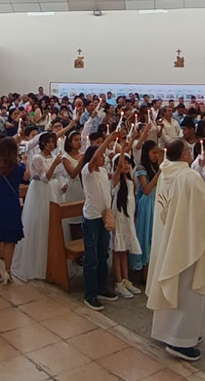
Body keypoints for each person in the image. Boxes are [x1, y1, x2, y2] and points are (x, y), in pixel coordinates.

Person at [147, 139, 205, 362]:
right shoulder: (189, 176)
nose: (190, 152)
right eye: (189, 150)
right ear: (185, 155)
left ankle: (165, 331)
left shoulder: (165, 173)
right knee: (188, 289)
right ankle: (181, 341)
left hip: (168, 239)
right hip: (187, 242)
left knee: (171, 284)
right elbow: (201, 211)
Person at [11, 132, 62, 281]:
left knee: (52, 224)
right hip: (41, 191)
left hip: (53, 191)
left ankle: (52, 263)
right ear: (43, 144)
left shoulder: (53, 156)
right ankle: (37, 263)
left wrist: (63, 183)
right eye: (49, 142)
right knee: (40, 224)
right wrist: (54, 164)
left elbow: (59, 175)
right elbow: (45, 178)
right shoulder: (37, 158)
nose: (52, 145)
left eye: (53, 142)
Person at [80, 130, 121, 311]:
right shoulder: (87, 171)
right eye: (101, 155)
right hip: (92, 219)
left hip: (104, 216)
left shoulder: (103, 171)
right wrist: (109, 139)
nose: (104, 158)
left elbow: (113, 181)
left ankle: (102, 288)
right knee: (91, 258)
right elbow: (96, 155)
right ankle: (90, 294)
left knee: (103, 254)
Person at [0, 138, 27, 287]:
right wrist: (24, 160)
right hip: (11, 205)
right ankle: (8, 271)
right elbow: (26, 176)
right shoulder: (18, 167)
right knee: (10, 241)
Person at [110, 146, 142, 299]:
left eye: (128, 163)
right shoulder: (116, 180)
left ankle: (126, 279)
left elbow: (133, 201)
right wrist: (122, 150)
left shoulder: (130, 181)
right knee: (118, 250)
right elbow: (117, 171)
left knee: (125, 250)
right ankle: (118, 282)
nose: (126, 165)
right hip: (119, 218)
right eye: (123, 163)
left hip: (128, 218)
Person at [130, 137, 161, 274]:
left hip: (155, 202)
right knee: (146, 236)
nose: (156, 156)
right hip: (146, 204)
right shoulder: (141, 167)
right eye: (153, 153)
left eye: (157, 153)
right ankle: (145, 271)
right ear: (146, 152)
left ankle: (154, 268)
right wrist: (159, 173)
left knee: (155, 236)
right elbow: (146, 189)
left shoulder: (154, 167)